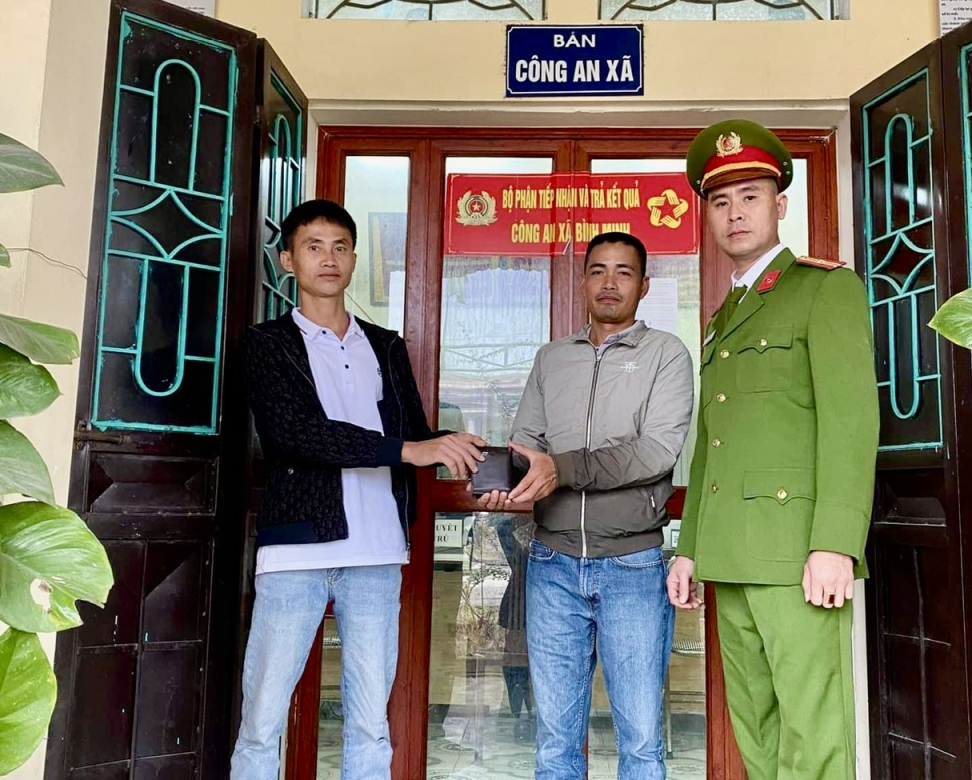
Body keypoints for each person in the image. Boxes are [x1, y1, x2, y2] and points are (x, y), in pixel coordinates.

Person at [231, 199, 486, 780]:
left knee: (371, 723)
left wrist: (471, 451)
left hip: (377, 550)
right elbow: (294, 434)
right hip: (296, 549)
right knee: (262, 719)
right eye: (314, 246)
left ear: (352, 259)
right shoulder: (266, 344)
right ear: (288, 260)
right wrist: (410, 450)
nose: (329, 258)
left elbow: (412, 436)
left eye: (341, 247)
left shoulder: (385, 345)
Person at [666, 120, 879, 780]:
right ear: (706, 215)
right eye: (720, 201)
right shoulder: (723, 317)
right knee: (756, 733)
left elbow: (850, 425)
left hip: (796, 554)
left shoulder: (823, 289)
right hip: (730, 555)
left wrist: (835, 543)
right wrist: (691, 547)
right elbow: (713, 445)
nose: (735, 213)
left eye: (750, 197)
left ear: (780, 205)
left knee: (814, 736)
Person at [481, 231, 694, 780]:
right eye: (598, 270)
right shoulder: (552, 358)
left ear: (644, 285)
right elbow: (526, 442)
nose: (609, 282)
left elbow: (655, 451)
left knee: (641, 740)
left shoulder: (666, 354)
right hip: (551, 565)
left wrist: (562, 468)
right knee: (555, 742)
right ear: (582, 281)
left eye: (624, 272)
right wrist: (503, 478)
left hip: (632, 566)